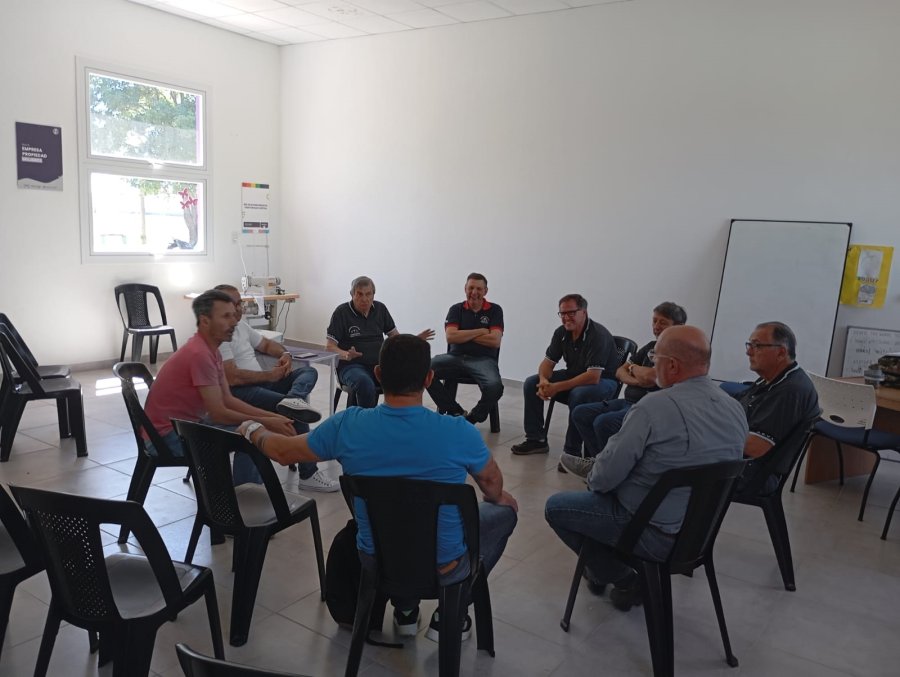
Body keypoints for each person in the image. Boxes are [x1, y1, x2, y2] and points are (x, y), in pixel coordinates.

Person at [239, 334, 518, 641]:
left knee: (398, 525)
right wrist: (498, 497)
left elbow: (282, 451)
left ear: (378, 375)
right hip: (444, 565)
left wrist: (252, 428)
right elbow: (492, 484)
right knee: (505, 511)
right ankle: (451, 613)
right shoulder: (459, 432)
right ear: (428, 379)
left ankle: (406, 610)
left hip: (377, 561)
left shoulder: (347, 425)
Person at [544, 325, 747, 610]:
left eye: (655, 357)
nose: (652, 362)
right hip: (698, 533)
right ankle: (603, 569)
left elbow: (602, 479)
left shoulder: (653, 408)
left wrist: (599, 476)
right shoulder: (735, 408)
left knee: (557, 507)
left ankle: (623, 577)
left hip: (649, 531)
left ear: (672, 365)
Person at [143, 289, 296, 485]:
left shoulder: (210, 350)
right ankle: (246, 495)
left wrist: (272, 417)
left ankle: (246, 492)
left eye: (233, 315)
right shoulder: (200, 354)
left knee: (254, 428)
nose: (234, 322)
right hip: (165, 438)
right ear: (205, 321)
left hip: (183, 426)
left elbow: (227, 400)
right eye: (226, 316)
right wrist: (267, 421)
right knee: (251, 434)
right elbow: (218, 413)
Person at [214, 284, 337, 493]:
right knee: (298, 413)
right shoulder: (220, 334)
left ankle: (291, 400)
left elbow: (266, 345)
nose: (240, 307)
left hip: (260, 383)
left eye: (240, 303)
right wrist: (269, 375)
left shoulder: (241, 326)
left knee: (308, 372)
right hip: (240, 391)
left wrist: (285, 354)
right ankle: (308, 474)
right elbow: (233, 378)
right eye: (234, 304)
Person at [562, 302, 687, 473]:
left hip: (646, 408)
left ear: (678, 326)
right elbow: (620, 371)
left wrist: (634, 369)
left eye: (662, 322)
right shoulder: (651, 346)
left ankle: (610, 469)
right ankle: (601, 463)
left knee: (603, 423)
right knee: (581, 413)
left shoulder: (678, 353)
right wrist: (636, 378)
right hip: (627, 401)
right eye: (654, 321)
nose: (656, 326)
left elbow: (651, 377)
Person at [510, 294, 619, 457]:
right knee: (531, 383)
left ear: (584, 312)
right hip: (575, 374)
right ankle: (536, 440)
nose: (566, 317)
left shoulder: (598, 335)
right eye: (562, 313)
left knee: (579, 394)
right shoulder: (561, 332)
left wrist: (557, 387)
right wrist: (544, 381)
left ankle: (571, 453)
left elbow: (593, 377)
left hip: (603, 381)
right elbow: (547, 363)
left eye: (571, 313)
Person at [732, 322, 820, 489]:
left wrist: (713, 431)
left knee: (685, 461)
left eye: (757, 346)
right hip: (741, 458)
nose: (748, 352)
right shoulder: (771, 377)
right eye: (749, 345)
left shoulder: (790, 391)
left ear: (781, 352)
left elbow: (755, 447)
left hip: (752, 473)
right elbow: (738, 404)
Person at [326, 276, 435, 408]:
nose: (364, 299)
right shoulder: (341, 312)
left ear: (373, 294)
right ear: (352, 294)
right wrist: (346, 354)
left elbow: (395, 338)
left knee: (405, 378)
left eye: (368, 294)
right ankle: (367, 419)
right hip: (351, 366)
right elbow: (330, 347)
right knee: (364, 383)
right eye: (359, 294)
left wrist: (414, 340)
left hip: (379, 364)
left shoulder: (380, 309)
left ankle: (396, 417)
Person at [426, 273, 504, 425]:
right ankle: (454, 411)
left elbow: (495, 341)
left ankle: (473, 418)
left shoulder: (495, 310)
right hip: (454, 358)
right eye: (471, 288)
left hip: (483, 360)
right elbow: (451, 337)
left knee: (495, 387)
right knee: (423, 370)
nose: (474, 292)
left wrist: (462, 334)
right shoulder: (456, 309)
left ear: (485, 291)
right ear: (465, 289)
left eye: (479, 289)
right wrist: (481, 331)